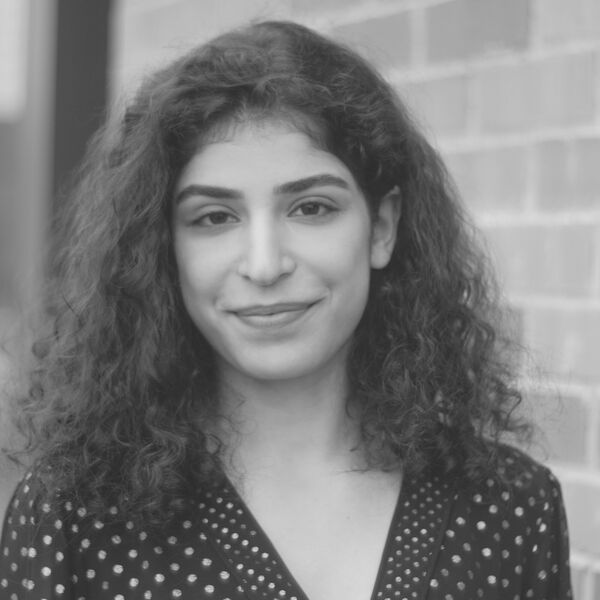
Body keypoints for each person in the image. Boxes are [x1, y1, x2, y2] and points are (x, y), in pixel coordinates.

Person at [0, 20, 571, 600]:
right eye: (215, 218)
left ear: (381, 227)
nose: (265, 264)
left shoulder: (511, 507)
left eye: (311, 208)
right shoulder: (75, 518)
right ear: (163, 250)